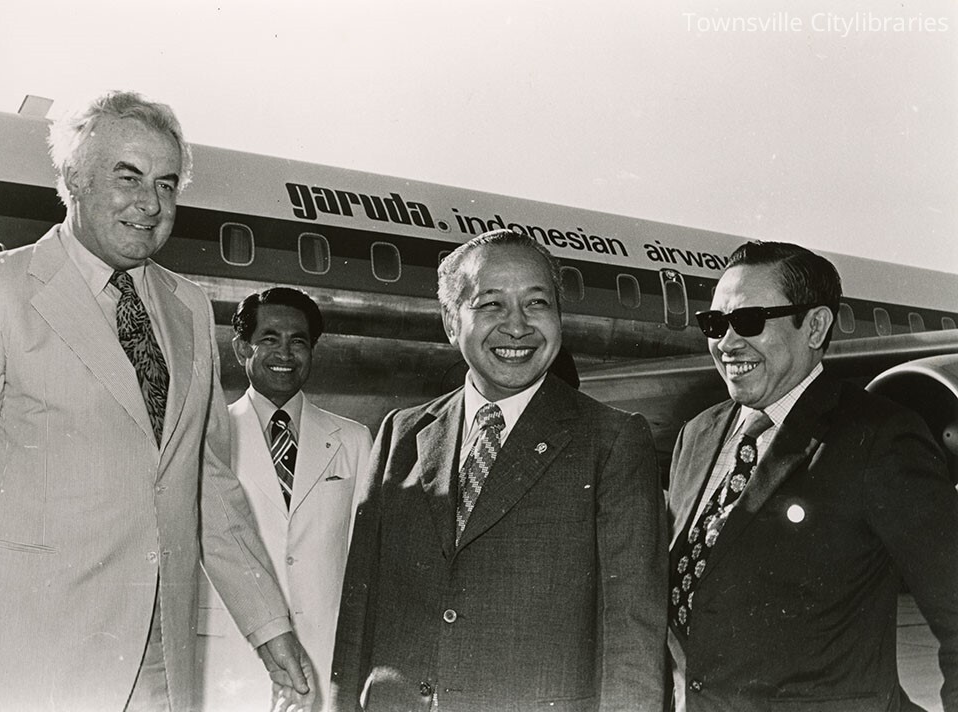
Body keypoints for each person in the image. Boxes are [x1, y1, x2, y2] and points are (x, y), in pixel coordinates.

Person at [0, 91, 312, 712]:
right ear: (72, 179)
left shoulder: (189, 309)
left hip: (159, 662)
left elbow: (207, 484)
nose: (150, 204)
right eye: (128, 178)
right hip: (30, 664)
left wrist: (269, 627)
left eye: (167, 184)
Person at [330, 229, 667, 711]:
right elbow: (358, 613)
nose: (517, 326)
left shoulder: (611, 441)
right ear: (451, 321)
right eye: (491, 305)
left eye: (537, 304)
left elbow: (631, 636)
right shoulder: (401, 435)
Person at [667, 241, 958, 711]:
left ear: (816, 326)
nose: (726, 342)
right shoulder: (697, 436)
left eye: (749, 321)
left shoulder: (878, 438)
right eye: (714, 324)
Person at [197, 287, 373, 712]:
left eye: (299, 341)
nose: (286, 353)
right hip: (231, 660)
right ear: (242, 348)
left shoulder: (352, 439)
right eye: (269, 339)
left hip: (324, 652)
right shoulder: (206, 435)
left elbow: (365, 557)